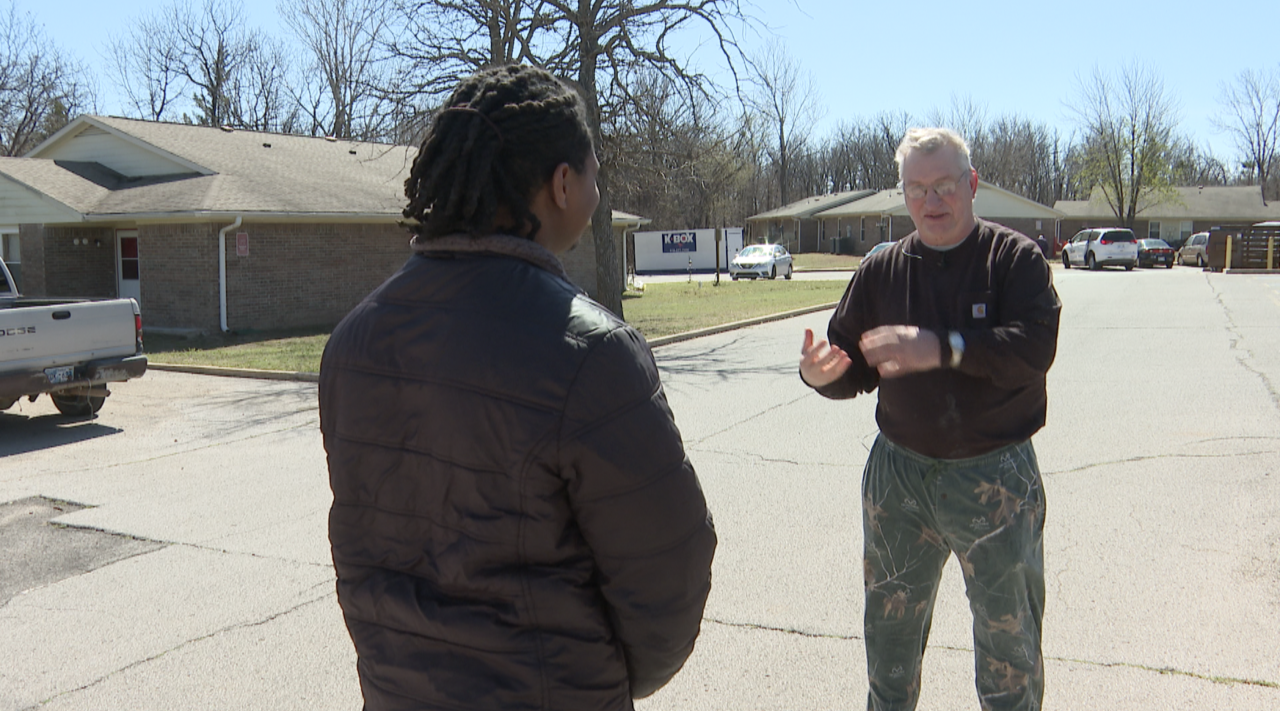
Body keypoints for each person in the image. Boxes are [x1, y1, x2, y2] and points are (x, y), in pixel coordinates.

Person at [320, 64, 716, 711]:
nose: (595, 195)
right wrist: (609, 680)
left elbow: (361, 555)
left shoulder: (351, 343)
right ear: (562, 184)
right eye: (593, 176)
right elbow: (668, 573)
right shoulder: (592, 354)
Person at [799, 127, 1060, 711]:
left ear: (972, 184)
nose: (931, 200)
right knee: (888, 645)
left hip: (994, 479)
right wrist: (820, 375)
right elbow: (850, 364)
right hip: (900, 482)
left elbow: (1033, 349)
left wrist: (943, 347)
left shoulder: (1012, 260)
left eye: (944, 184)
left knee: (1009, 650)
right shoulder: (883, 271)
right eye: (916, 188)